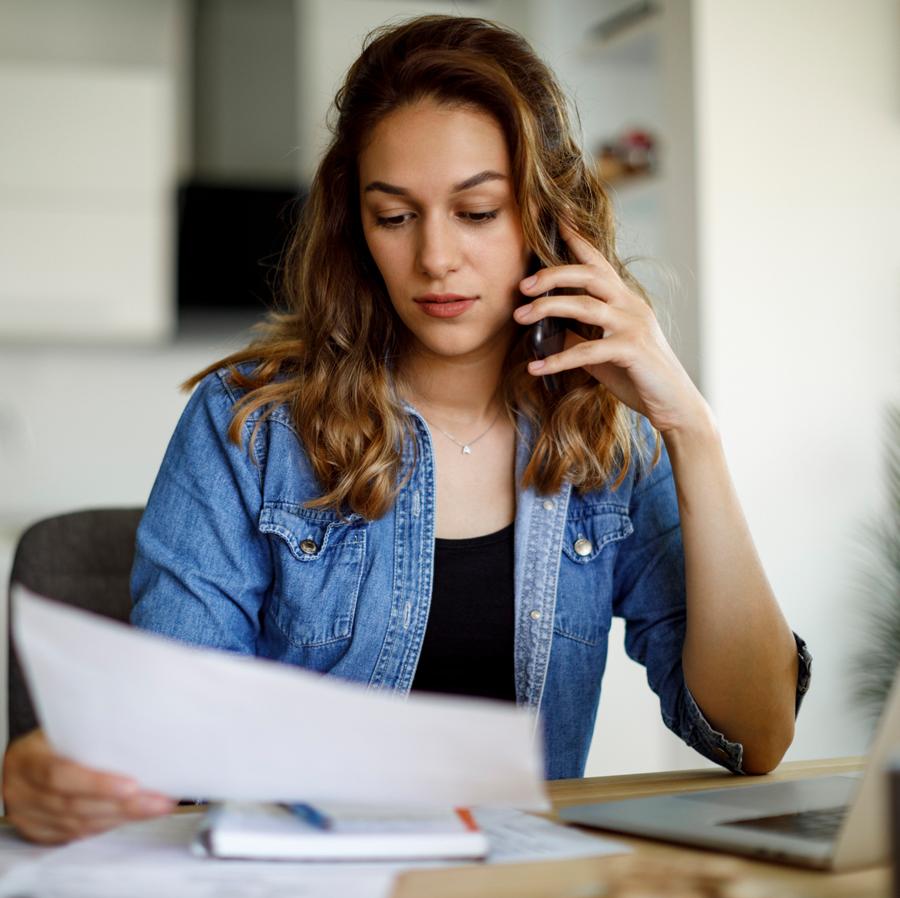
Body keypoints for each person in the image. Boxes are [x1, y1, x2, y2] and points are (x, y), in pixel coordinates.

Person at [3, 15, 810, 845]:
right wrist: (49, 775)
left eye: (478, 211)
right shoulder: (249, 428)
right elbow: (166, 748)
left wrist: (691, 428)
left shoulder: (610, 439)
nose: (435, 258)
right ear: (358, 229)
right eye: (396, 217)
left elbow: (755, 737)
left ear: (546, 221)